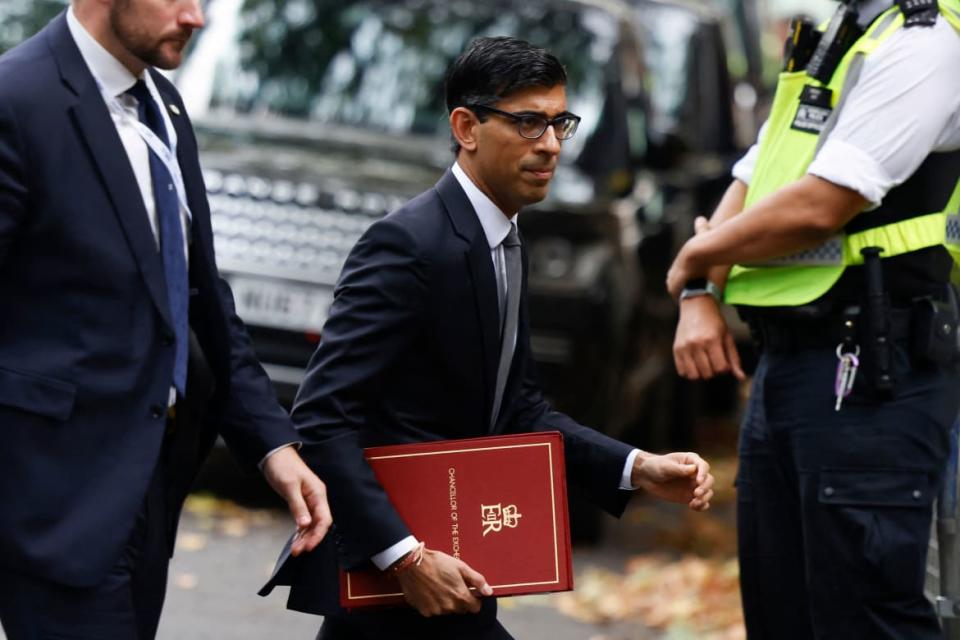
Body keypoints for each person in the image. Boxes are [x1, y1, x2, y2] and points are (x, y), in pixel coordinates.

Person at [258, 36, 715, 639]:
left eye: (560, 123)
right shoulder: (408, 245)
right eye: (528, 123)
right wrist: (406, 558)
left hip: (450, 572)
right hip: (399, 578)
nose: (550, 144)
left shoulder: (503, 239)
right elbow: (322, 417)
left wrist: (637, 467)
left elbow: (519, 407)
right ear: (466, 127)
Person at [0, 1, 333, 638]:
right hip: (50, 505)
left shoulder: (164, 105)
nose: (196, 16)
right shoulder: (18, 101)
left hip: (148, 491)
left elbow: (201, 302)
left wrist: (272, 444)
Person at [667, 0, 960, 637]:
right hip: (791, 366)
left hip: (875, 369)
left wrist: (699, 252)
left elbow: (824, 202)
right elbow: (760, 170)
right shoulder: (844, 37)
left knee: (861, 617)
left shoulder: (927, 41)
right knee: (781, 614)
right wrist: (697, 291)